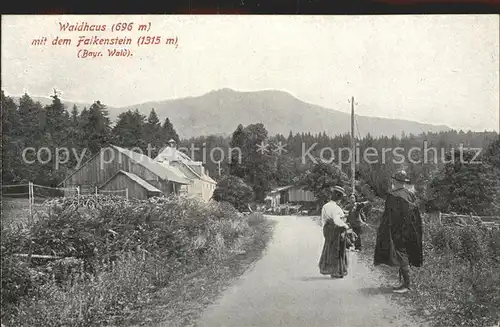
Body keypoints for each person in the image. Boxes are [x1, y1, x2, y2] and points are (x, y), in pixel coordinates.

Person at [374, 170, 423, 294]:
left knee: (401, 255)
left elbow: (390, 216)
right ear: (404, 182)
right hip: (411, 229)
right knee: (405, 253)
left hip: (398, 230)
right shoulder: (410, 195)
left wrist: (385, 230)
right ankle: (403, 283)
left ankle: (406, 285)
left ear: (394, 181)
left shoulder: (393, 195)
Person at [319, 185, 356, 279]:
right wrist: (346, 226)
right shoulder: (336, 208)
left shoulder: (326, 206)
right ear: (339, 197)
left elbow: (323, 220)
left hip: (328, 230)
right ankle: (336, 271)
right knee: (338, 250)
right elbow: (337, 221)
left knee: (329, 249)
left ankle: (330, 269)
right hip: (336, 230)